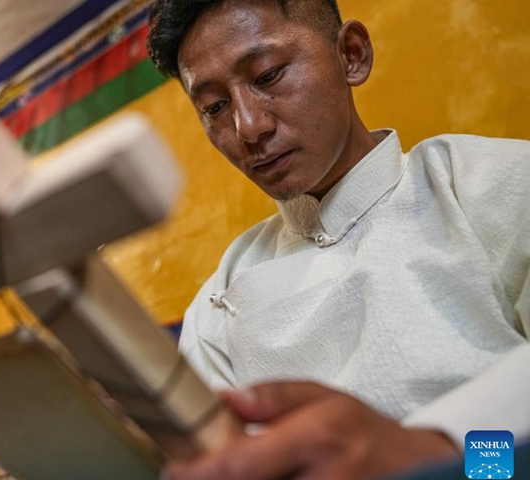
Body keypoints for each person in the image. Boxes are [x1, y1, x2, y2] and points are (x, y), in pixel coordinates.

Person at [145, 0, 530, 478]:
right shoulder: (215, 309)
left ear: (351, 54)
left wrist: (443, 454)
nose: (248, 127)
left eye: (267, 75)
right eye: (215, 107)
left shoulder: (494, 184)